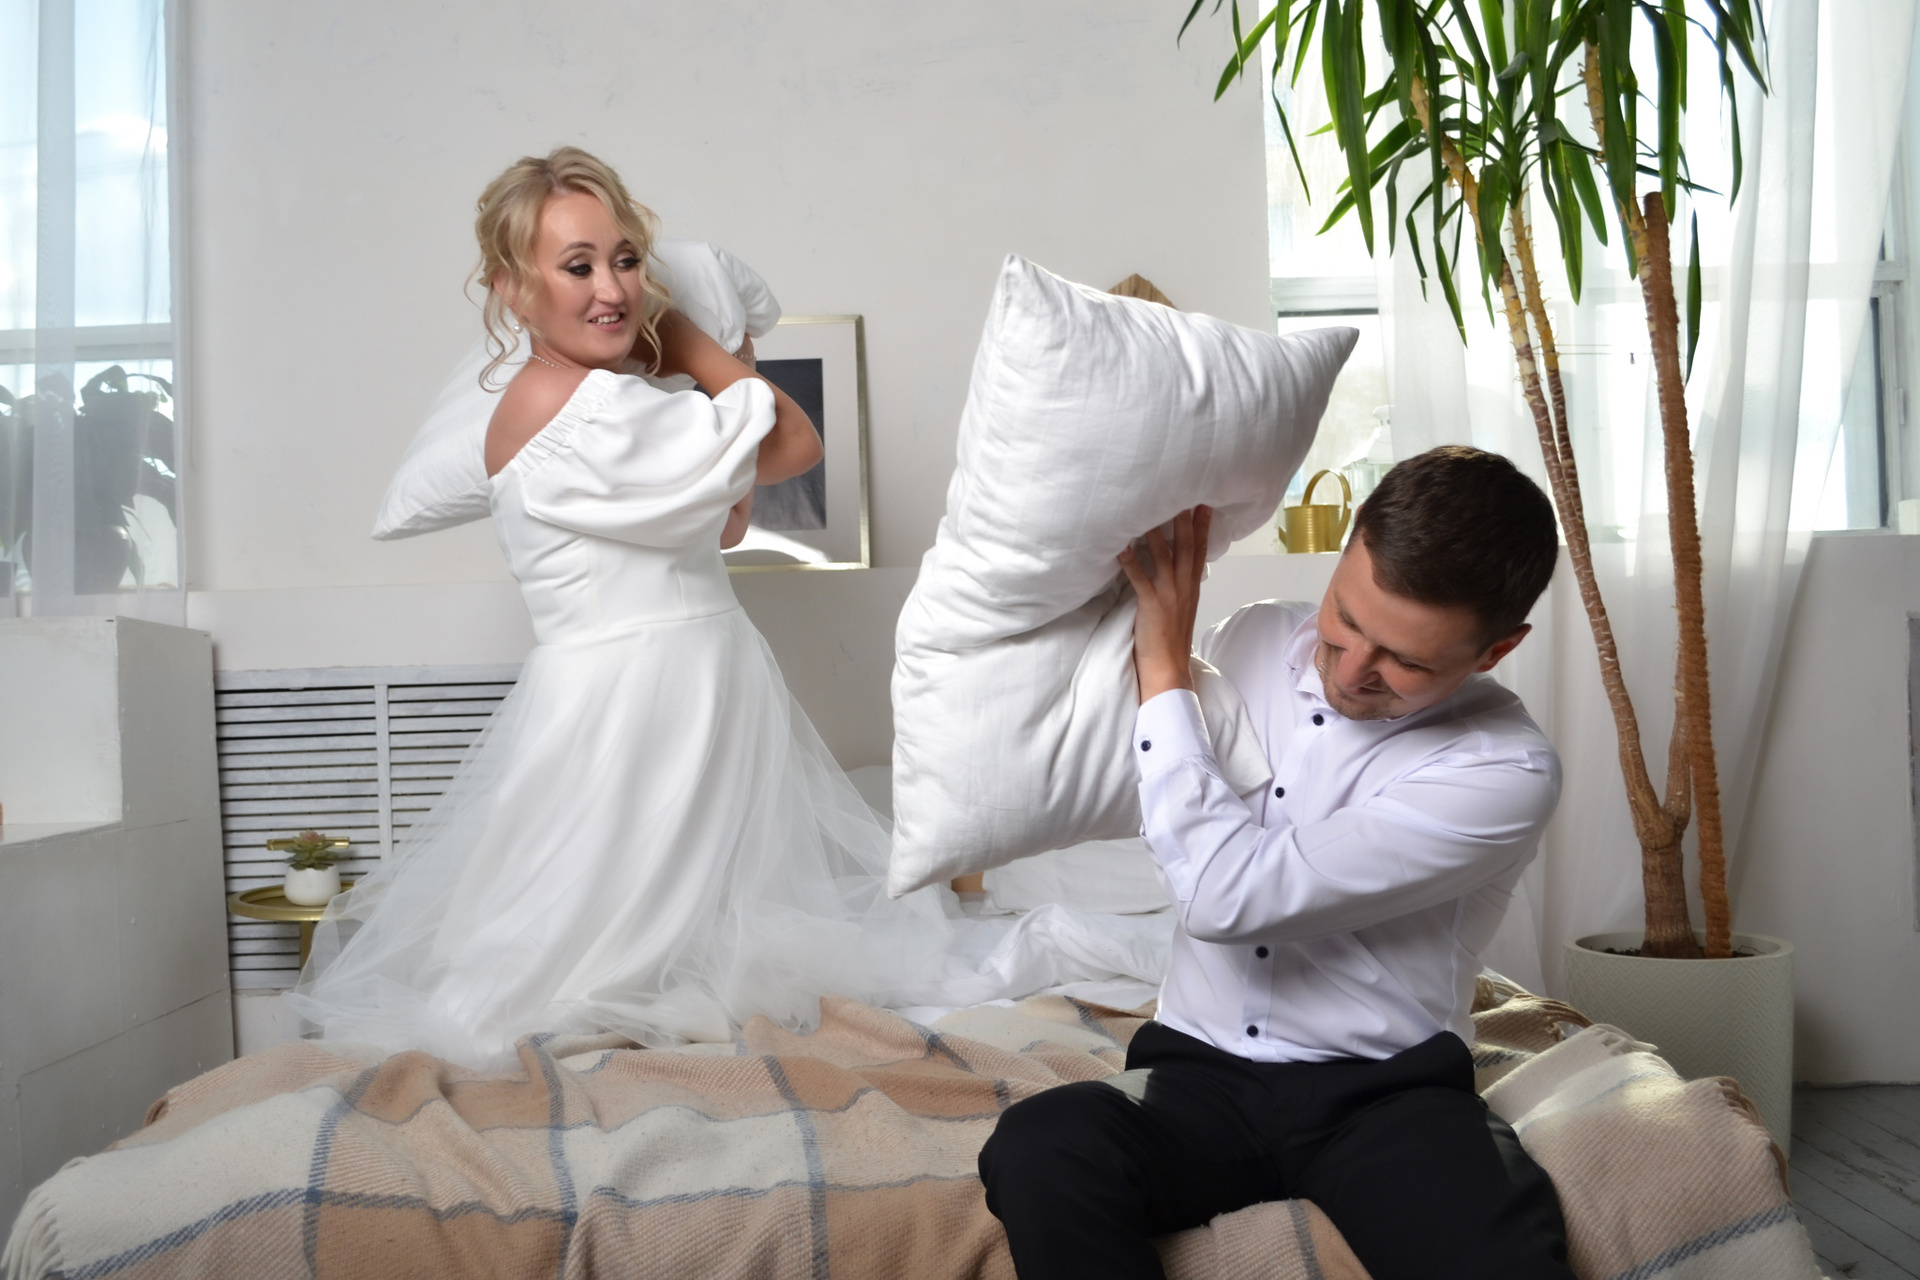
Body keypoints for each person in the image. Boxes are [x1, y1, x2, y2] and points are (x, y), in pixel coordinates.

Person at [289, 147, 1158, 1067]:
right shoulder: (560, 403)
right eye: (578, 266)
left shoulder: (616, 402)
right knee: (569, 962)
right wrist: (688, 339)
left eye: (627, 261)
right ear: (513, 289)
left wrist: (692, 372)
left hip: (695, 693)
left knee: (699, 950)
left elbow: (732, 515)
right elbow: (794, 439)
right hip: (631, 710)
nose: (613, 289)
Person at [977, 446, 1575, 1280]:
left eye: (1406, 661)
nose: (1353, 672)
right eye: (1346, 619)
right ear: (1346, 552)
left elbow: (1225, 896)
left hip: (1387, 1096)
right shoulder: (1250, 636)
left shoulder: (1505, 770)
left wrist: (1163, 669)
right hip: (1194, 1080)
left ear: (1496, 650)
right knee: (1040, 1147)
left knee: (1501, 1260)